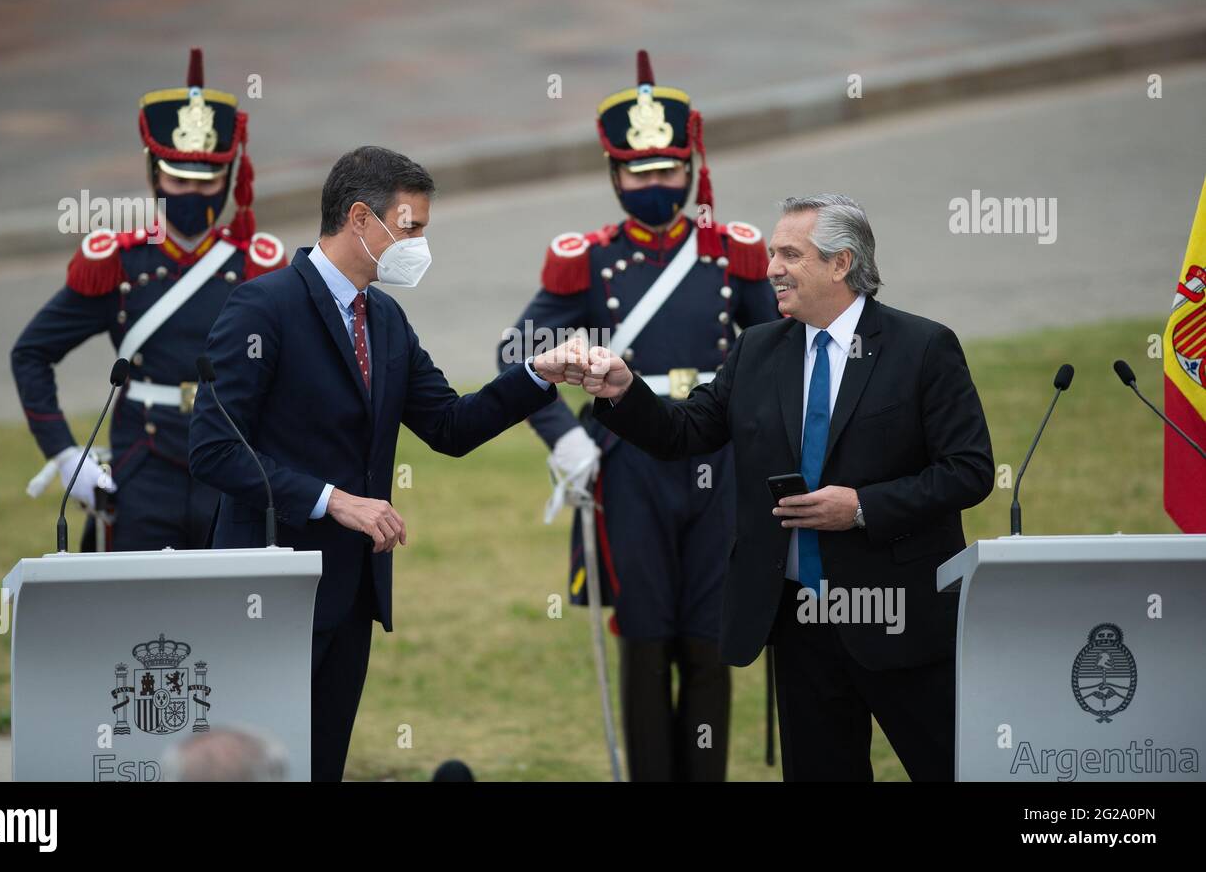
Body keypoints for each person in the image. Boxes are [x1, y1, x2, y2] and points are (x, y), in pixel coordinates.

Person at [188, 145, 587, 782]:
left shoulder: (387, 320)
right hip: (269, 592)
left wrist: (537, 375)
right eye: (412, 227)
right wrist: (333, 499)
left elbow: (450, 426)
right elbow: (213, 448)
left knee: (321, 768)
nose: (420, 243)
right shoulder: (265, 308)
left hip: (350, 596)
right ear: (361, 220)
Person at [581, 194, 995, 781]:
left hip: (899, 618)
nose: (770, 266)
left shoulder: (923, 348)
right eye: (772, 252)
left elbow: (969, 469)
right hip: (799, 621)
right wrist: (622, 389)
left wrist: (863, 507)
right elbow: (685, 431)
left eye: (789, 254)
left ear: (840, 263)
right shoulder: (757, 349)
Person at [501, 51, 777, 782]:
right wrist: (564, 438)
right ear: (614, 174)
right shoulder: (590, 262)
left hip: (718, 463)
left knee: (711, 642)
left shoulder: (732, 256)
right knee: (646, 640)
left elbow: (787, 344)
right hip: (627, 468)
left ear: (690, 169)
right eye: (638, 172)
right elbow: (517, 353)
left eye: (667, 170)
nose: (655, 186)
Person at [11, 47, 286, 551]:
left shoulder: (257, 266)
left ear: (230, 179)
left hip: (232, 463)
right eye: (178, 180)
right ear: (152, 173)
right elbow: (31, 353)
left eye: (208, 182)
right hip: (143, 466)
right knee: (137, 619)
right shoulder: (118, 264)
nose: (193, 195)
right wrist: (67, 454)